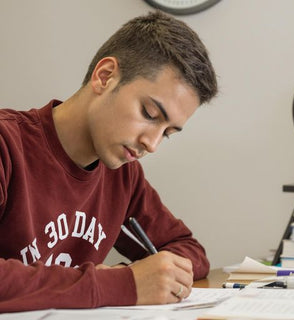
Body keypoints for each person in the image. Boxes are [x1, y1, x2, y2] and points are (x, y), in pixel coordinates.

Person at [0, 10, 217, 312]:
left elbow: (189, 251)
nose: (152, 144)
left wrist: (158, 275)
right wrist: (123, 284)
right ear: (105, 76)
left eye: (167, 133)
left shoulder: (124, 176)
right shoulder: (6, 145)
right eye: (150, 114)